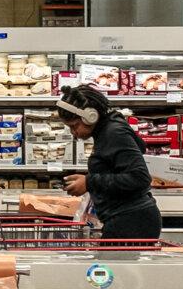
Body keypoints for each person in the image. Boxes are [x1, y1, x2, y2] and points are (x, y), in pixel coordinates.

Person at [56, 85, 160, 242]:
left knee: (110, 267)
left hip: (131, 221)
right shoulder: (108, 129)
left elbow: (140, 177)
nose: (73, 133)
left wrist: (90, 182)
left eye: (74, 126)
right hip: (126, 218)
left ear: (90, 116)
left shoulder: (113, 132)